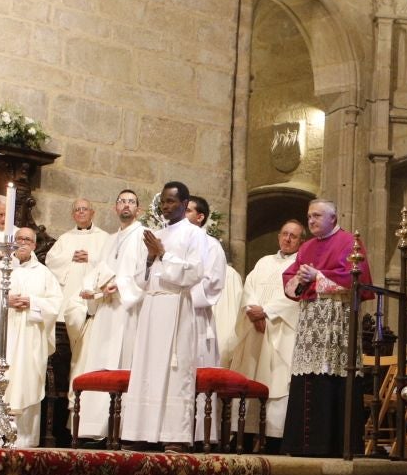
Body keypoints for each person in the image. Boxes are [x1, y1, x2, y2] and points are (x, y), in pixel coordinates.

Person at [123, 182, 225, 446]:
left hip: (177, 308)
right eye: (163, 202)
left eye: (171, 201)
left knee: (175, 373)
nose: (166, 207)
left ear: (184, 202)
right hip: (153, 307)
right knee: (147, 369)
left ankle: (174, 436)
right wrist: (149, 259)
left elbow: (195, 272)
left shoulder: (195, 235)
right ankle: (142, 433)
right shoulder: (155, 233)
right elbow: (141, 279)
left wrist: (163, 255)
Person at [283, 199, 359, 457]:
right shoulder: (306, 247)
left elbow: (352, 278)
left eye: (317, 216)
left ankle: (329, 444)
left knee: (330, 374)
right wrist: (301, 278)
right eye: (309, 216)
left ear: (333, 219)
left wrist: (317, 276)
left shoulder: (349, 242)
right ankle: (302, 444)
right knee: (307, 377)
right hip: (310, 320)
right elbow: (291, 278)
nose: (311, 221)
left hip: (335, 320)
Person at [69, 189, 147, 441]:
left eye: (131, 202)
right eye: (122, 201)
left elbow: (145, 273)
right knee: (100, 362)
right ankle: (95, 428)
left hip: (127, 311)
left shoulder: (143, 235)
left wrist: (121, 286)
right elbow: (99, 269)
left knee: (123, 362)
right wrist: (91, 289)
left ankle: (122, 430)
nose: (126, 205)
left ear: (139, 209)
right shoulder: (111, 239)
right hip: (105, 310)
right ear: (115, 208)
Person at [227, 219, 305, 442]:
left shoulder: (301, 265)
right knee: (250, 376)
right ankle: (244, 434)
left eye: (293, 236)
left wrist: (267, 312)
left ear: (301, 241)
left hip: (279, 332)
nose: (287, 239)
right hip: (255, 331)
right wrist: (251, 310)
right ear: (279, 236)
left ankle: (273, 438)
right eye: (284, 234)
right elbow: (248, 288)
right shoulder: (263, 262)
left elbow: (295, 297)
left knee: (276, 381)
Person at [0, 225, 60, 447]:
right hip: (3, 336)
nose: (22, 242)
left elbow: (55, 304)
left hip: (30, 339)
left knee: (27, 380)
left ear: (34, 245)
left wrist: (32, 302)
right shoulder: (0, 267)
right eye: (19, 238)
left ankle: (23, 438)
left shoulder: (44, 274)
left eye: (27, 240)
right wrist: (4, 301)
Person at [48, 198, 112, 380]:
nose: (81, 212)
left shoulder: (104, 238)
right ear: (72, 214)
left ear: (93, 213)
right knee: (64, 352)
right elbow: (51, 261)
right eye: (77, 210)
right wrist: (70, 257)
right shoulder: (65, 238)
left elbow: (110, 265)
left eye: (85, 209)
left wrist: (90, 258)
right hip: (68, 302)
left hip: (93, 304)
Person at [185, 195, 242, 360]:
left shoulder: (211, 245)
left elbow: (211, 285)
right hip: (174, 313)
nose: (182, 214)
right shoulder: (176, 242)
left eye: (187, 211)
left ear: (200, 217)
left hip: (196, 316)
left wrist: (183, 296)